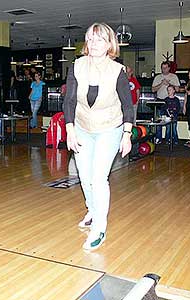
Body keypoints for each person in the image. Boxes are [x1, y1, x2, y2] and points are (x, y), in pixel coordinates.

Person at [63, 23, 133, 251]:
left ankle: (99, 228)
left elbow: (127, 105)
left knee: (98, 177)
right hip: (83, 126)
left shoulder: (118, 71)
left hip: (109, 127)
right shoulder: (76, 66)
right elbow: (70, 101)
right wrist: (70, 129)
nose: (94, 44)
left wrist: (127, 134)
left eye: (100, 40)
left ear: (109, 44)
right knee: (84, 176)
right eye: (91, 39)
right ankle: (92, 211)